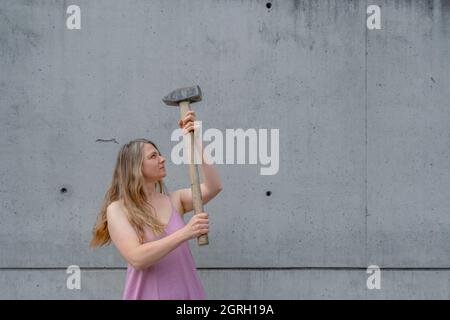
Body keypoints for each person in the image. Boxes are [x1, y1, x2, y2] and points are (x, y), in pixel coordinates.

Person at [90, 111, 222, 299]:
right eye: (153, 156)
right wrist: (186, 232)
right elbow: (137, 258)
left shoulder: (175, 200)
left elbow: (214, 186)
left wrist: (195, 140)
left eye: (159, 154)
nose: (162, 159)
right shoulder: (118, 210)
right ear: (136, 167)